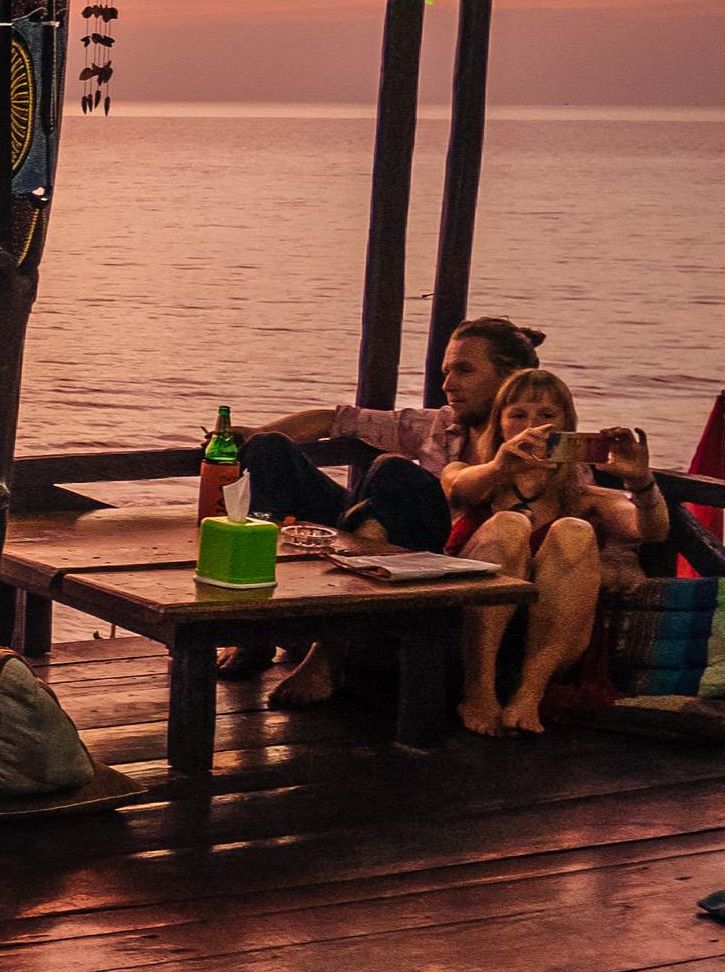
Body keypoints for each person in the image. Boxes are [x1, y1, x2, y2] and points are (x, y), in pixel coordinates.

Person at [221, 315, 548, 702]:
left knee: (392, 471)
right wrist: (252, 434)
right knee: (268, 449)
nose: (448, 385)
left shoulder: (543, 444)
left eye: (464, 370)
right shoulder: (440, 425)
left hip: (440, 563)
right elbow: (338, 419)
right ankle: (251, 630)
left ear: (512, 377)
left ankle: (327, 653)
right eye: (446, 371)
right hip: (380, 544)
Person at [445, 367, 666, 738]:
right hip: (471, 632)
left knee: (574, 530)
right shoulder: (469, 474)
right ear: (499, 426)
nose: (533, 427)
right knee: (509, 525)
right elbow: (458, 490)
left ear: (567, 427)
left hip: (552, 641)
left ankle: (529, 694)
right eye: (518, 415)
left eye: (547, 416)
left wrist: (639, 481)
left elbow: (652, 530)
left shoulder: (584, 497)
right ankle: (478, 692)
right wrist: (501, 467)